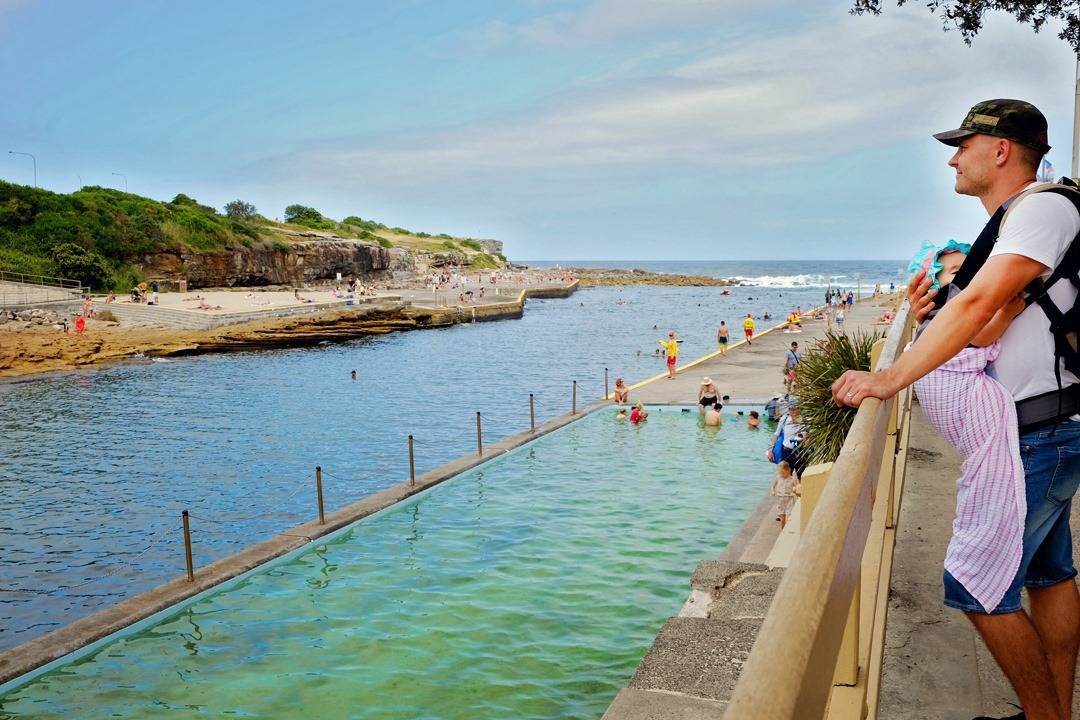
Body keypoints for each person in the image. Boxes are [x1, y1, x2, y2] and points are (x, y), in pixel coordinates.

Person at [831, 99, 1080, 720]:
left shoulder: (1041, 209)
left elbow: (980, 310)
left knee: (972, 585)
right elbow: (976, 318)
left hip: (1037, 431)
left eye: (964, 143)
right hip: (1046, 424)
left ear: (1000, 151)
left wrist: (888, 377)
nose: (952, 156)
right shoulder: (1018, 219)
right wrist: (931, 320)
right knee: (1049, 575)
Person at [768, 400, 807, 478]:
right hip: (786, 451)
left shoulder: (805, 419)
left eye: (795, 409)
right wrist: (770, 450)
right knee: (786, 475)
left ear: (799, 409)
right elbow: (776, 434)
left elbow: (808, 434)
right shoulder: (785, 418)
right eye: (791, 409)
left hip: (800, 450)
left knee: (801, 474)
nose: (793, 411)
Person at [770, 461, 797, 529]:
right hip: (780, 499)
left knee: (788, 516)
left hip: (789, 499)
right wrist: (773, 491)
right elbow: (773, 486)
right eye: (780, 473)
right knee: (782, 517)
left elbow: (797, 487)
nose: (782, 475)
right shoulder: (778, 478)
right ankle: (782, 530)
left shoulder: (792, 479)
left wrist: (796, 490)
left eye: (784, 473)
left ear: (788, 470)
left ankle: (787, 529)